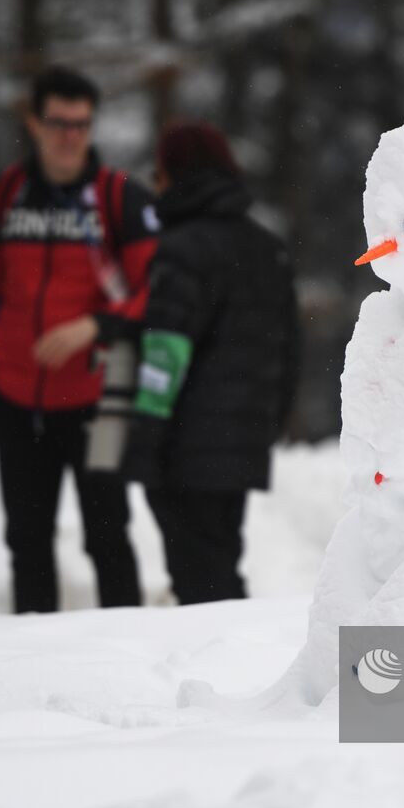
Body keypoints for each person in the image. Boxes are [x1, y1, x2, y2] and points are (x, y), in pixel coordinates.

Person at [0, 66, 159, 613]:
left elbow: (156, 288)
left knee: (107, 533)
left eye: (81, 124)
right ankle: (31, 659)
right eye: (57, 123)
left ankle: (126, 654)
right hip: (16, 399)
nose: (69, 136)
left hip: (100, 398)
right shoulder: (4, 196)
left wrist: (96, 325)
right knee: (26, 537)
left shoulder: (120, 199)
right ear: (34, 122)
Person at [118, 121, 299, 604]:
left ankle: (223, 676)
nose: (154, 188)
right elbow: (289, 351)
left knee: (200, 583)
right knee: (220, 570)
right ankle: (240, 670)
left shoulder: (183, 250)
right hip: (239, 443)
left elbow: (166, 352)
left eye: (158, 176)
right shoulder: (267, 248)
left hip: (185, 447)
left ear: (175, 176)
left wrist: (144, 440)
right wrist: (267, 424)